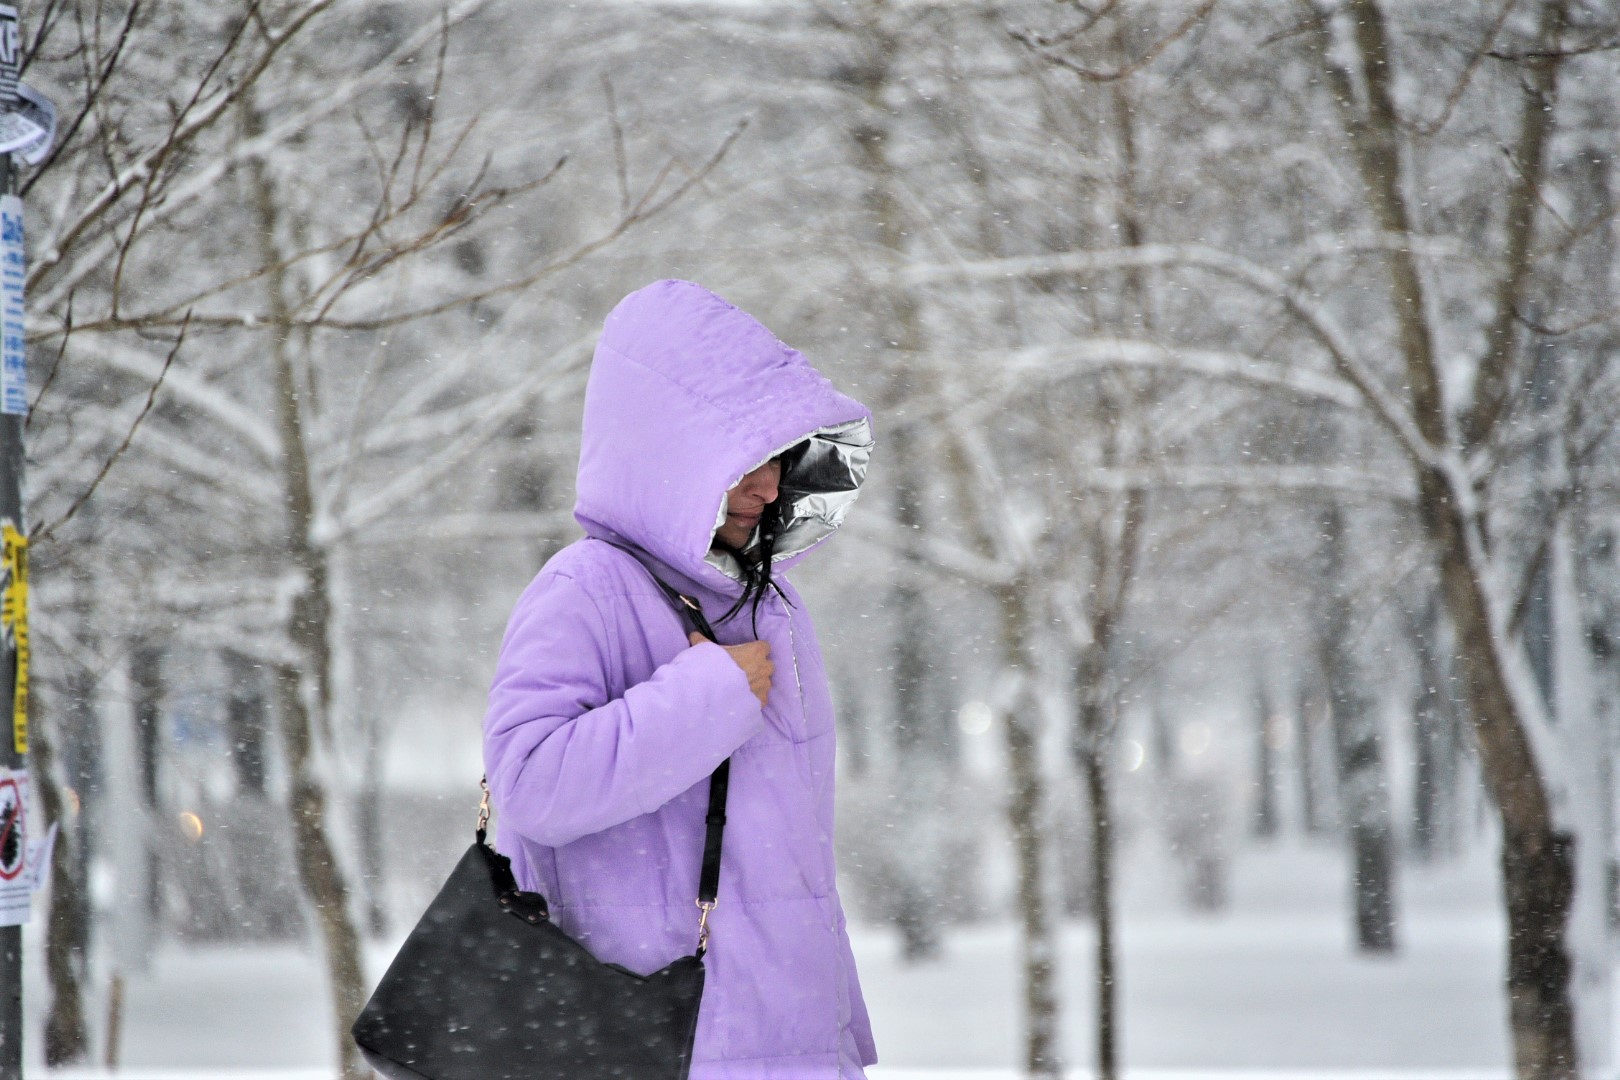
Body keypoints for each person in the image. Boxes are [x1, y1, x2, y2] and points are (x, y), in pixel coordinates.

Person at [483, 279, 879, 1078]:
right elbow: (529, 784)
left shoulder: (771, 605)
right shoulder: (584, 590)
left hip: (784, 1045)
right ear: (672, 453)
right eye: (744, 461)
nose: (769, 487)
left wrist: (837, 1036)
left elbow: (790, 869)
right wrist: (709, 697)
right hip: (658, 1041)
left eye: (778, 460)